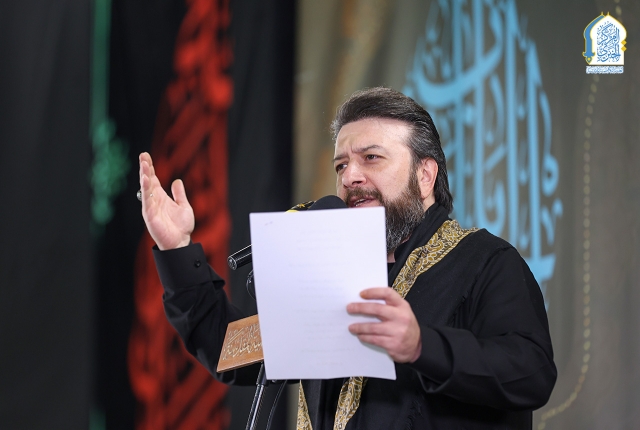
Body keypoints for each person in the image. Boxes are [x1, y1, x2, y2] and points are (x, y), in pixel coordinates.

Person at [139, 87, 556, 429]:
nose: (350, 177)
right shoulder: (328, 276)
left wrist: (421, 345)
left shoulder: (485, 262)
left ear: (425, 176)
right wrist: (177, 250)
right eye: (341, 165)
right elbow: (230, 349)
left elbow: (531, 374)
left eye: (371, 158)